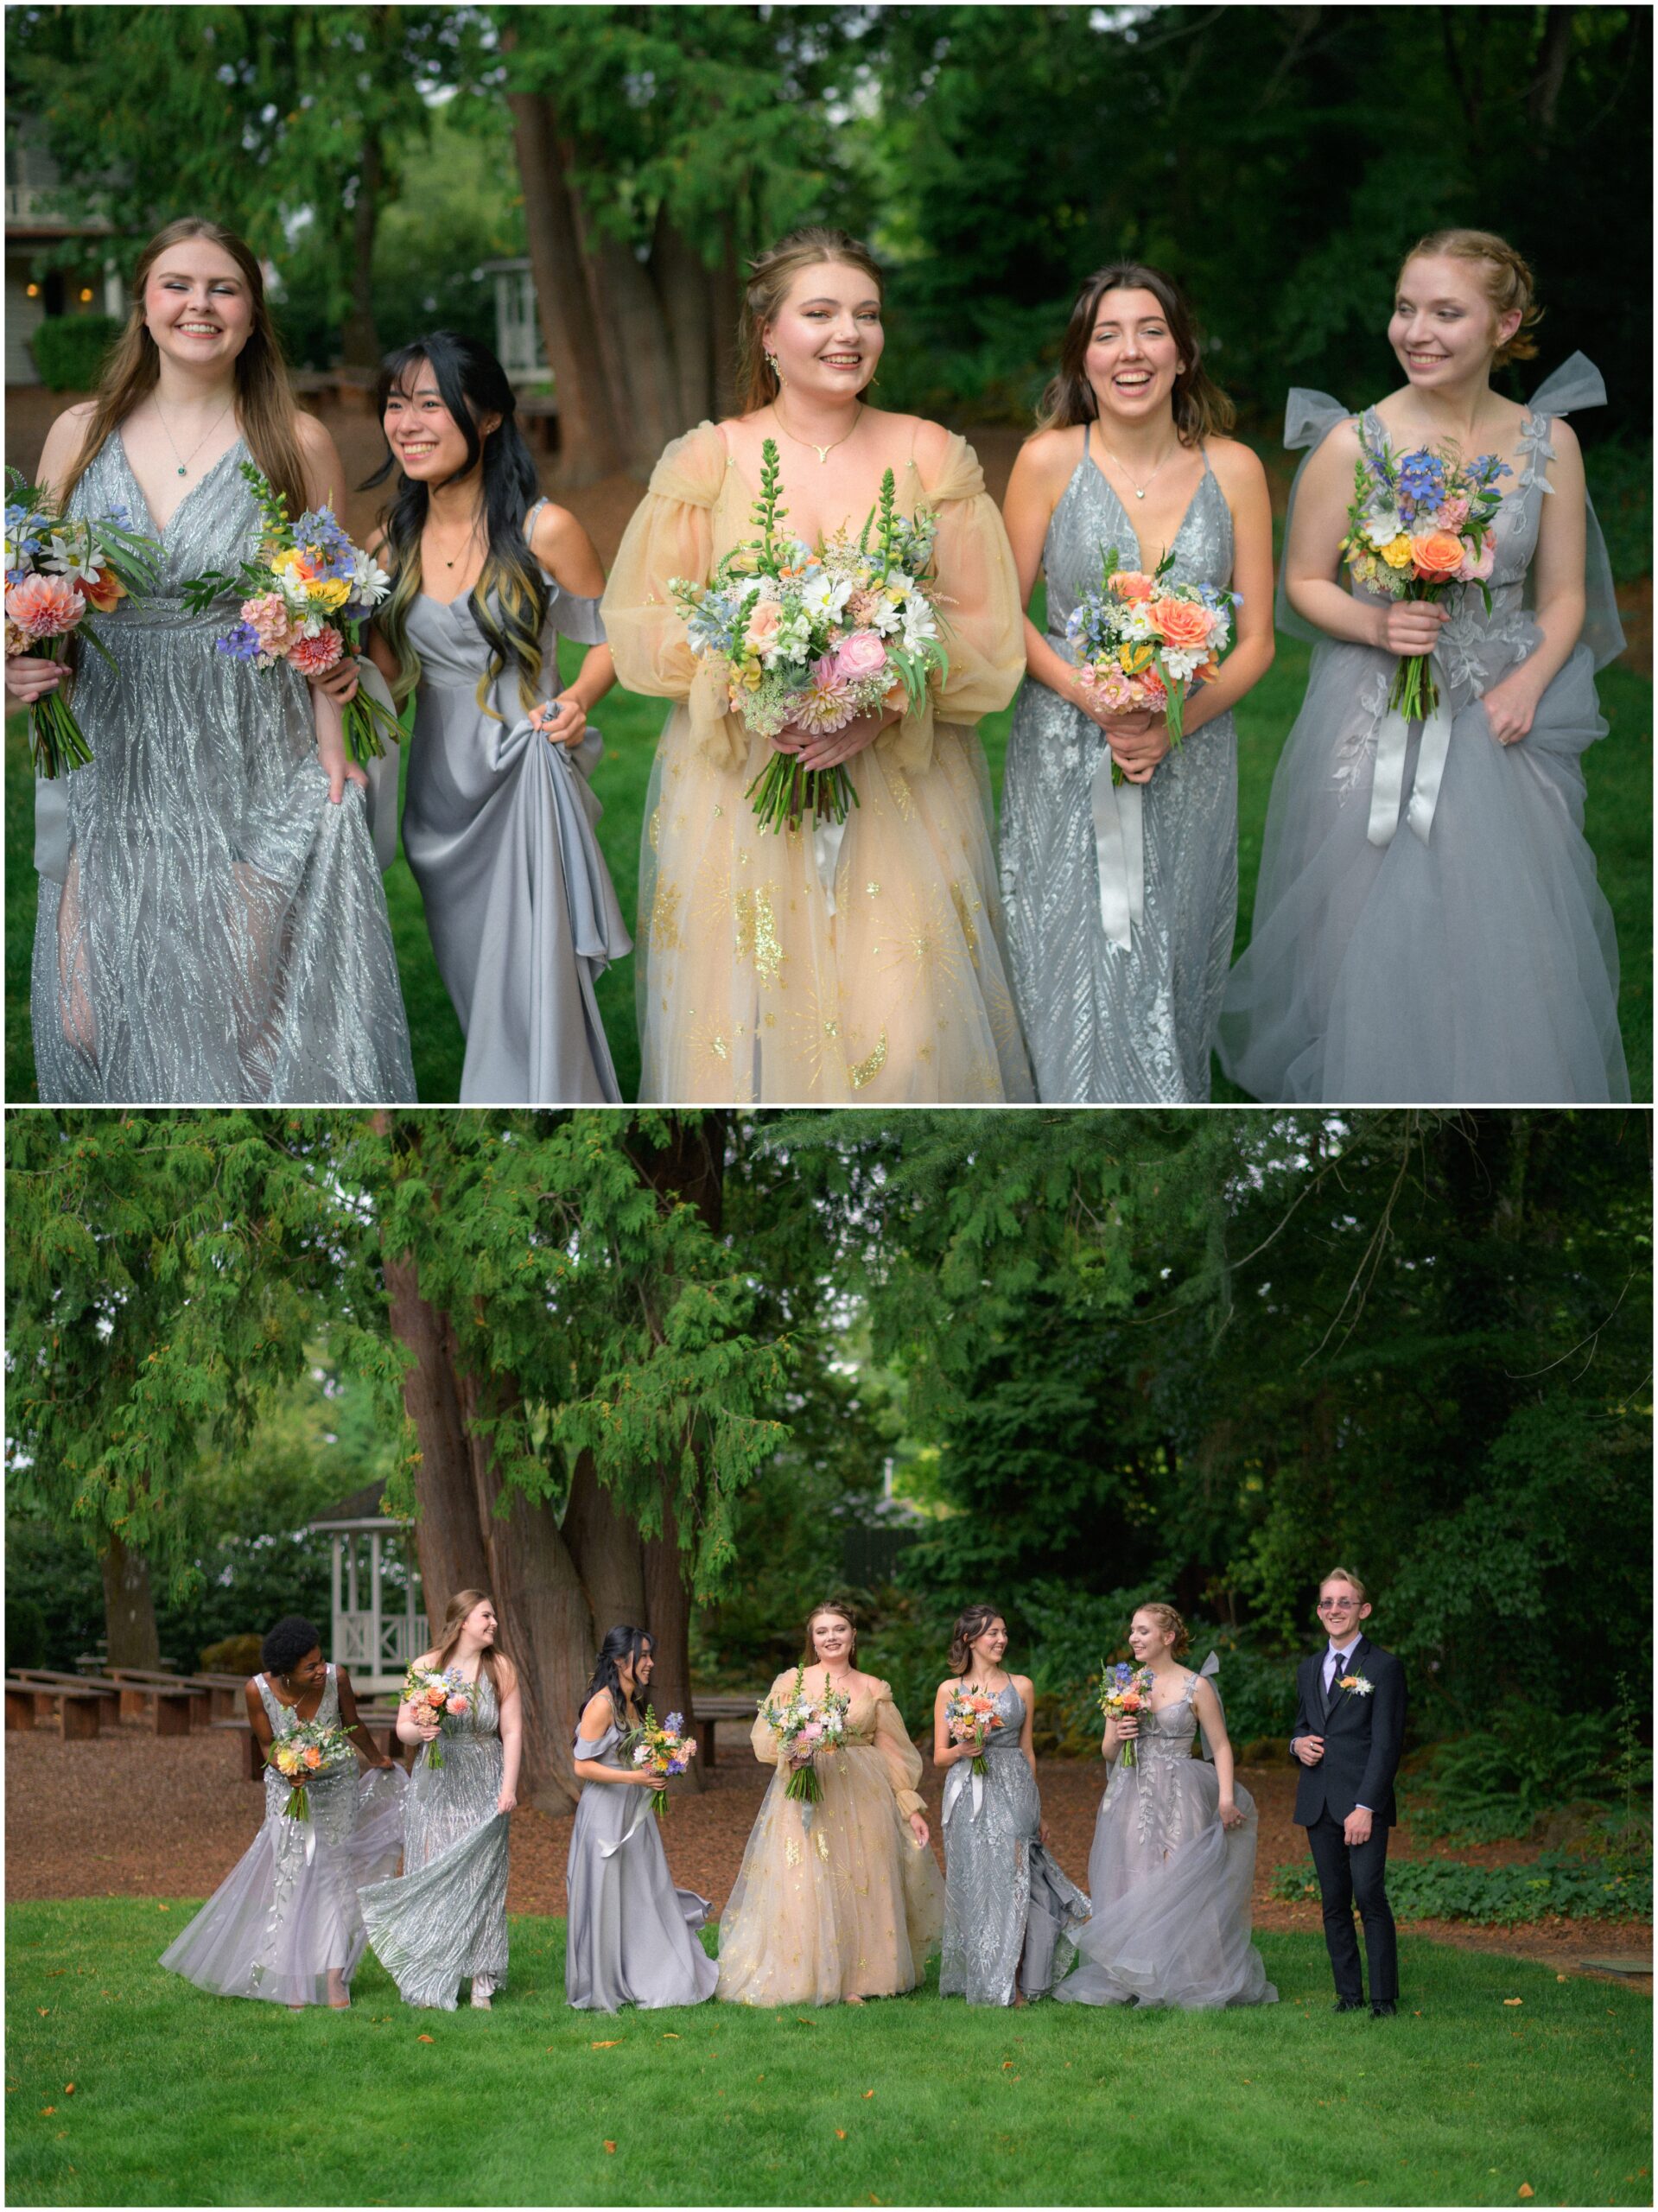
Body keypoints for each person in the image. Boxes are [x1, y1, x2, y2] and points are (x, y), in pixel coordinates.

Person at [602, 226, 1032, 1103]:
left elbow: (982, 628)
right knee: (749, 1020)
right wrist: (761, 684)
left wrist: (874, 704)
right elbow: (652, 624)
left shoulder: (930, 455)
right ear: (767, 334)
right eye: (821, 313)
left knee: (905, 1031)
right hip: (743, 791)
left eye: (866, 314)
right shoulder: (708, 460)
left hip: (900, 789)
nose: (849, 334)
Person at [1217, 228, 1628, 1103]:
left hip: (1499, 712)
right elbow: (1300, 582)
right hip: (1371, 711)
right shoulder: (1352, 442)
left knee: (1500, 923)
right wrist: (1374, 624)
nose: (1417, 330)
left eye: (1446, 312)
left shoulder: (1545, 443)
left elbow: (1560, 599)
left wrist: (1526, 681)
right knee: (1363, 913)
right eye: (1406, 308)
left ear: (1503, 324)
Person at [12, 215, 414, 1104]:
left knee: (234, 1005)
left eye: (223, 287)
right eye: (178, 285)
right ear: (145, 306)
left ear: (251, 314)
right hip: (116, 750)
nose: (200, 303)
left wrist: (334, 743)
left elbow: (320, 609)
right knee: (87, 1011)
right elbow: (35, 587)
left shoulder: (292, 441)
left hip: (246, 745)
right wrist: (18, 658)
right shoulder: (79, 433)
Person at [1000, 263, 1274, 1102]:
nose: (1129, 351)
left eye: (1149, 330)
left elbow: (1257, 640)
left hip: (1189, 752)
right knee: (1067, 954)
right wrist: (1093, 697)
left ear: (1183, 351)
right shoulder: (1045, 460)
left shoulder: (1235, 470)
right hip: (1062, 745)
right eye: (1105, 334)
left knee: (1170, 952)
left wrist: (1168, 720)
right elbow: (1000, 618)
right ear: (1080, 359)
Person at [355, 332, 629, 1104]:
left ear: (488, 420)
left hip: (524, 776)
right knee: (480, 997)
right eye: (396, 404)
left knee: (535, 993)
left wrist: (575, 700)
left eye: (430, 404)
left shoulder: (546, 529)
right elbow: (385, 678)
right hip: (438, 805)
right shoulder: (388, 542)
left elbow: (610, 643)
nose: (407, 423)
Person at [158, 1614, 404, 2009]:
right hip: (288, 1791)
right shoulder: (257, 1691)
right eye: (311, 1667)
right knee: (291, 1875)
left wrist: (377, 1760)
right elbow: (266, 1744)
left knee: (335, 1874)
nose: (321, 1670)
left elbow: (352, 1724)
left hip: (337, 1786)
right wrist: (288, 1768)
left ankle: (334, 1976)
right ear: (286, 1672)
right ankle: (292, 1977)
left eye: (321, 1660)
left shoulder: (336, 1679)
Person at [717, 1599, 943, 2005]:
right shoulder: (793, 1684)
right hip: (809, 1788)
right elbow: (766, 1740)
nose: (831, 1637)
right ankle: (814, 1975)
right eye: (822, 1631)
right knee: (810, 1876)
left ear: (853, 1635)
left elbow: (895, 1752)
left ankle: (863, 1978)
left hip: (865, 1794)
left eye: (838, 1629)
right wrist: (794, 1751)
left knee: (862, 1878)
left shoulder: (874, 1688)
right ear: (812, 1640)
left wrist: (909, 1805)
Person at [1055, 1603, 1276, 2012]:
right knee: (1133, 1877)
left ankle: (1192, 1974)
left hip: (1180, 1790)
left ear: (1168, 1637)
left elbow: (1221, 1746)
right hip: (1132, 1791)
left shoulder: (1197, 1687)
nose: (1133, 1639)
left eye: (1142, 1631)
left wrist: (1226, 1798)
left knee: (1181, 1877)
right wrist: (1119, 1733)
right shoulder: (1122, 1683)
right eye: (1132, 1632)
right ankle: (1136, 1974)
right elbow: (1106, 1751)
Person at [359, 1588, 521, 2011]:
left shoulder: (500, 1667)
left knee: (484, 1877)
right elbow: (402, 1729)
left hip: (486, 1776)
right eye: (486, 1616)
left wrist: (509, 1787)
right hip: (436, 1780)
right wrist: (422, 1731)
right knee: (435, 1872)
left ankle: (482, 1983)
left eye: (494, 1617)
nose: (493, 1624)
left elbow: (513, 1732)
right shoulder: (426, 1667)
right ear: (463, 1620)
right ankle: (433, 1973)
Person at [931, 1605, 1088, 2006]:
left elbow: (1028, 1749)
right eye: (992, 1634)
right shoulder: (950, 1690)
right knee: (980, 1883)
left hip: (1014, 1787)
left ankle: (1016, 1977)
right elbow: (938, 1757)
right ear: (969, 1640)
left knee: (1017, 1881)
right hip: (969, 1792)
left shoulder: (1022, 1686)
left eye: (1003, 1632)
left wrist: (1036, 1807)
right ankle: (987, 1977)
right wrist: (964, 1749)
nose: (1001, 1640)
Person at [564, 1625, 717, 2011]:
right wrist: (634, 1776)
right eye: (643, 1655)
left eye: (650, 1655)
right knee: (608, 1895)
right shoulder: (601, 1704)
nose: (650, 1663)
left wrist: (659, 1766)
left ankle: (649, 1971)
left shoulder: (634, 1703)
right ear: (620, 1660)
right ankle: (607, 1981)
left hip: (634, 1810)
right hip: (605, 1815)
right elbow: (581, 1767)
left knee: (642, 1891)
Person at [1289, 1568, 1406, 2017]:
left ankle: (1382, 1998)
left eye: (1344, 1602)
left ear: (1363, 1610)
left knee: (1369, 1895)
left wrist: (1366, 1807)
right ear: (1319, 1611)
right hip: (1318, 1802)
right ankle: (1349, 1995)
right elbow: (1302, 1726)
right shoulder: (1308, 1668)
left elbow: (1387, 1744)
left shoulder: (1382, 1667)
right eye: (1327, 1603)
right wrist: (1297, 1745)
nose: (1334, 1610)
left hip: (1362, 1804)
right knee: (1333, 1900)